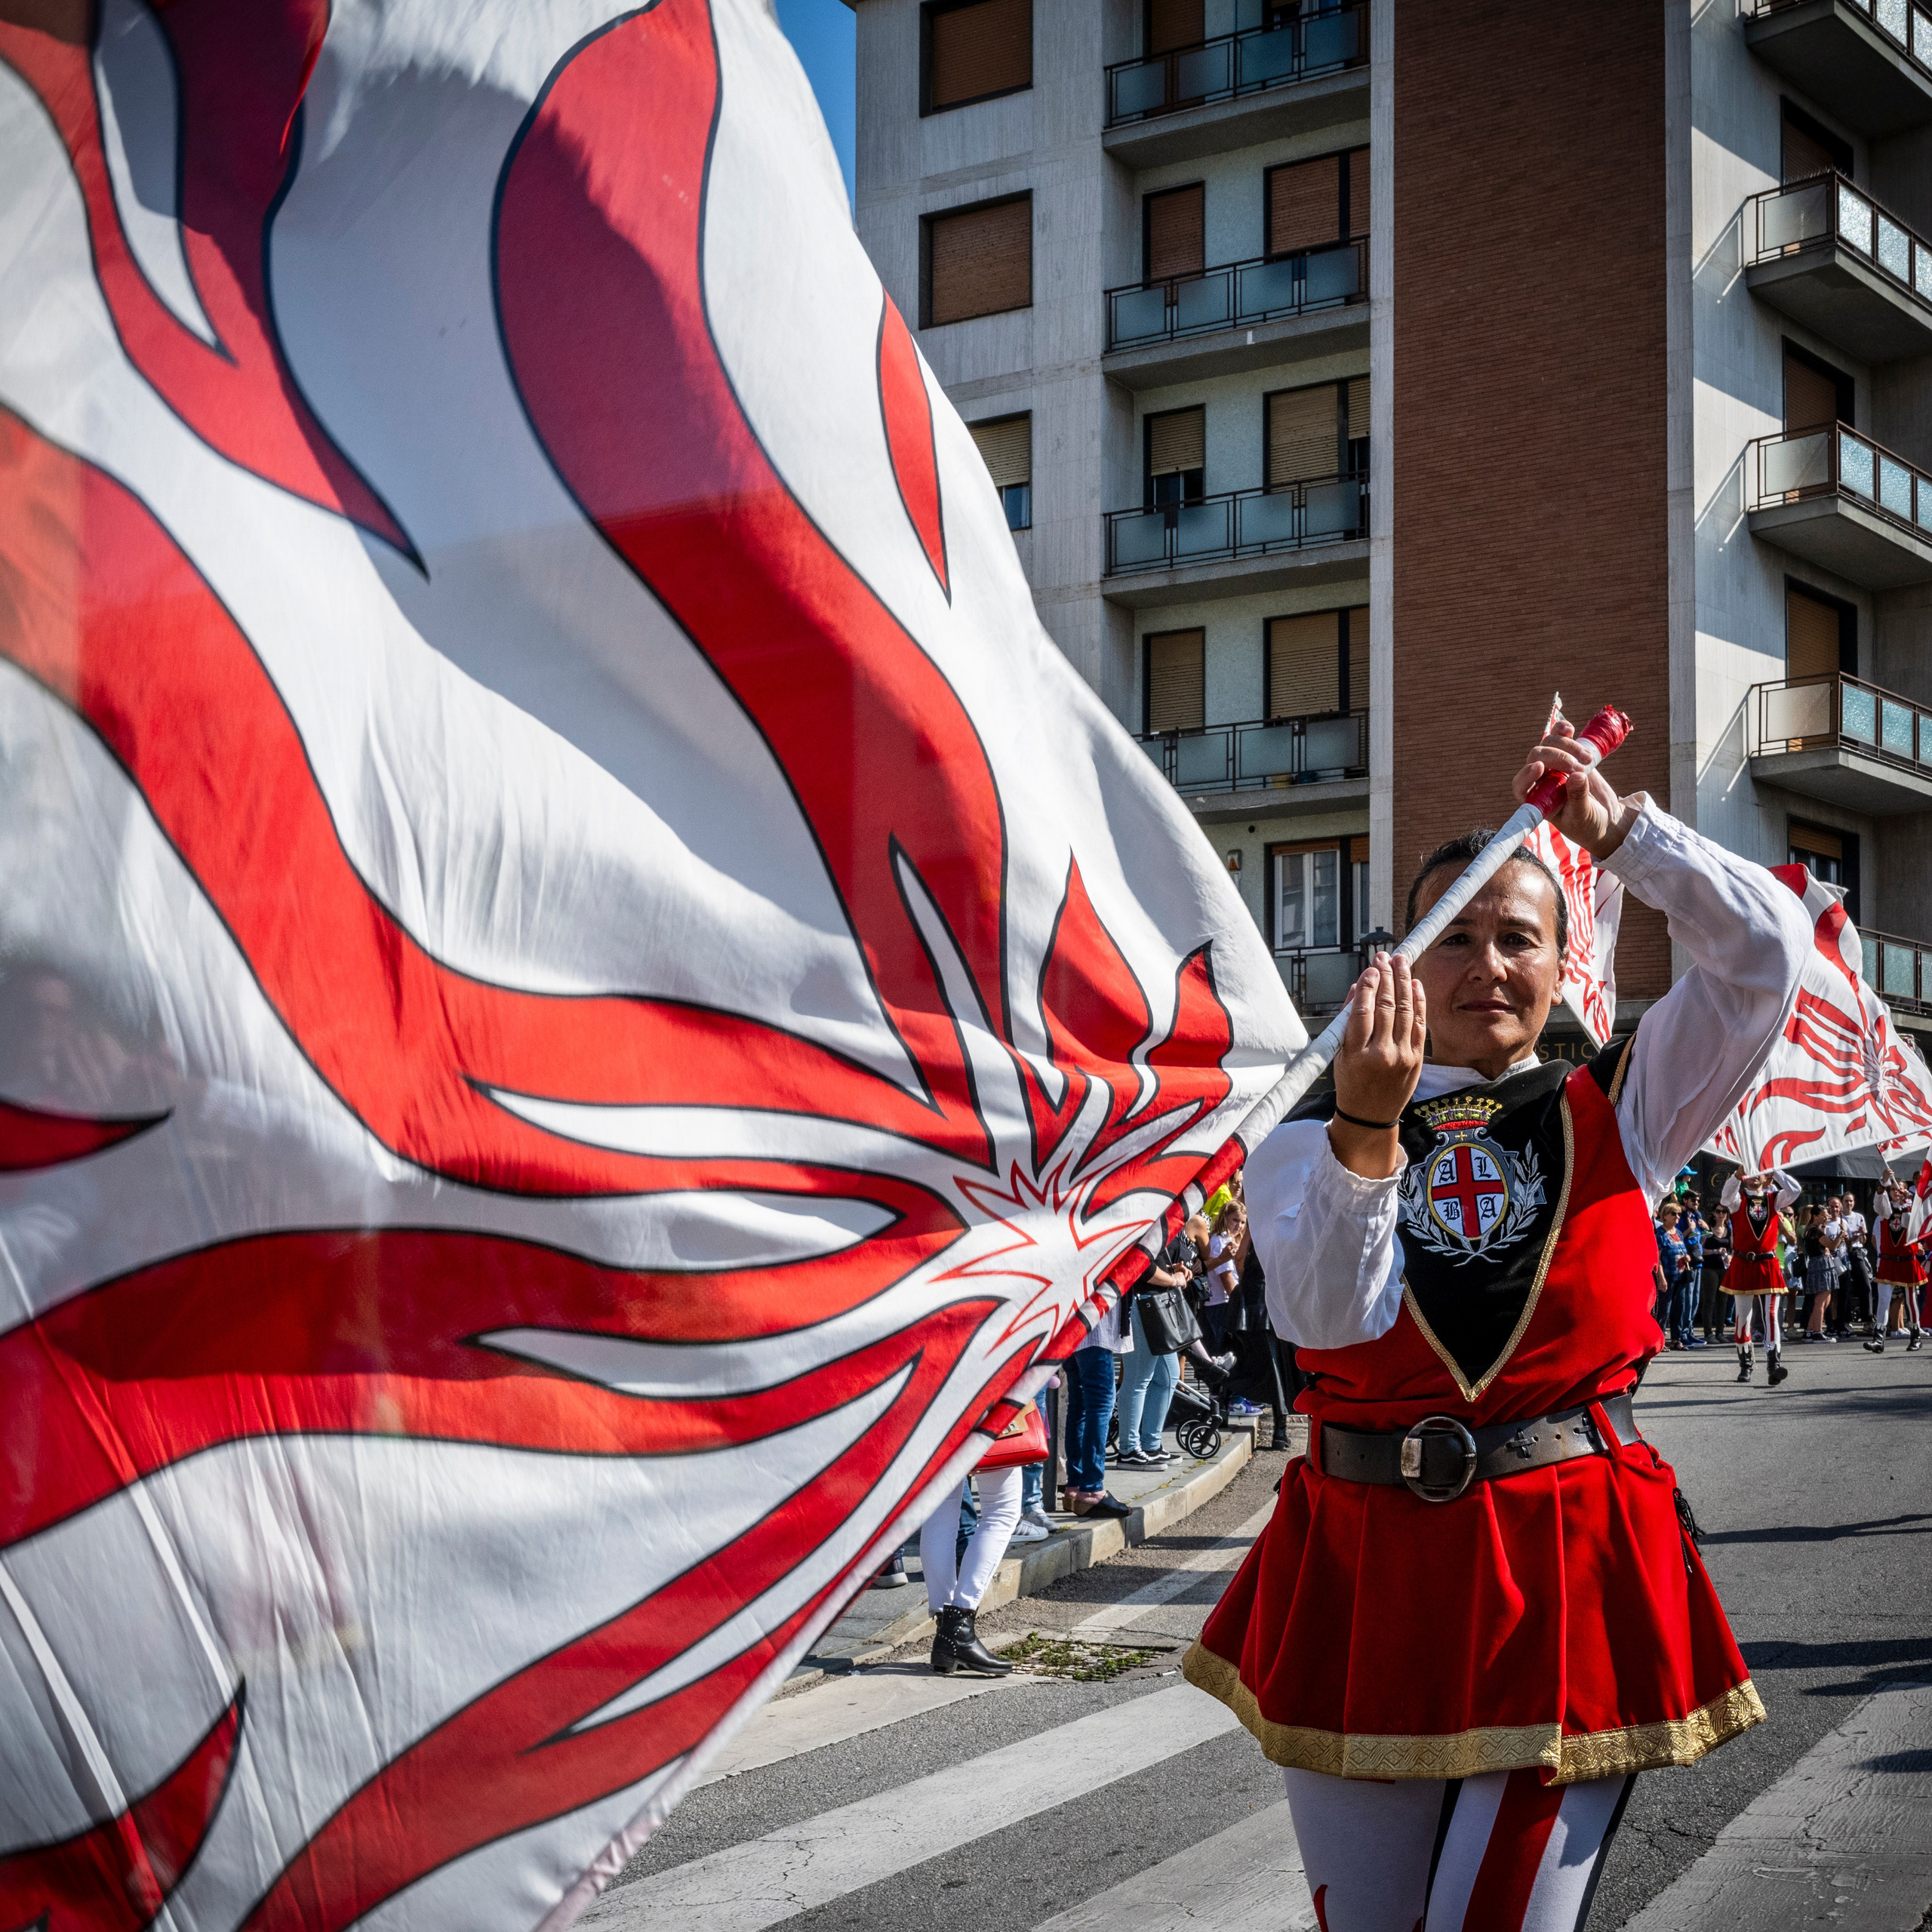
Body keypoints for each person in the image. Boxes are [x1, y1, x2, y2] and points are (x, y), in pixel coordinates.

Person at [1185, 721, 1809, 1931]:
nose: (1485, 965)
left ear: (1563, 970)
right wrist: (1368, 1131)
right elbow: (1323, 1323)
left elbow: (1763, 958)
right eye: (1453, 937)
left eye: (1517, 937)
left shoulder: (1628, 1106)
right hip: (1367, 1568)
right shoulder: (1305, 1140)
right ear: (1401, 969)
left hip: (1566, 1558)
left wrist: (1619, 831)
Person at [920, 1458, 1023, 1677]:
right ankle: (959, 1627)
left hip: (932, 1424)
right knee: (1001, 1510)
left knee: (940, 1510)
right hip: (985, 1423)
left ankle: (946, 1633)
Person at [1720, 1169, 1798, 1385]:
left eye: (1760, 1172)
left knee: (1771, 1315)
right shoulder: (1738, 1199)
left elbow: (1795, 1190)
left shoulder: (1774, 1200)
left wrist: (1776, 1171)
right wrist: (1736, 1175)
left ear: (1767, 1178)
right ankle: (1746, 1365)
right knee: (1743, 1318)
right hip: (1743, 1263)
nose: (1755, 1175)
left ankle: (1774, 1365)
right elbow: (1725, 1197)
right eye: (1751, 1172)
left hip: (1768, 1263)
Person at [1115, 1236, 1187, 1469]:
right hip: (1141, 1304)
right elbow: (1142, 1267)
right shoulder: (1150, 1220)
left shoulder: (1161, 1221)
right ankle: (1128, 1450)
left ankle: (1150, 1445)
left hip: (1153, 1303)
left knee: (1168, 1377)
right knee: (1138, 1379)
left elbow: (1151, 1263)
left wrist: (1172, 1272)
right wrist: (1173, 1280)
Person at [1062, 1287, 1134, 1519]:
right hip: (1095, 1321)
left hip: (1074, 1317)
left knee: (1081, 1403)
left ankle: (1076, 1486)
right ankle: (1091, 1488)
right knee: (1100, 1403)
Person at [1869, 1194, 1926, 1354]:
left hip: (1907, 1262)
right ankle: (1878, 1340)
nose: (1897, 1194)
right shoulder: (1884, 1212)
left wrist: (1907, 1203)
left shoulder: (1912, 1211)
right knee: (1884, 1301)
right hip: (1888, 1261)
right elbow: (1880, 1205)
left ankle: (1915, 1337)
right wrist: (1882, 1187)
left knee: (1910, 1300)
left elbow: (1908, 1224)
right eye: (1893, 1190)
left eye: (1900, 1191)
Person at [1655, 1199, 1695, 1351]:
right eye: (1674, 1214)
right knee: (1664, 1309)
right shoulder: (1660, 1234)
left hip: (1681, 1275)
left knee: (1679, 1308)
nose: (1677, 1217)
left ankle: (1676, 1339)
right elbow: (1657, 1258)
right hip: (1668, 1275)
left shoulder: (1678, 1232)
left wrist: (1688, 1258)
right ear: (1665, 1216)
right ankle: (1660, 1341)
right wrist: (1662, 1278)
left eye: (1679, 1214)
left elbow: (1682, 1250)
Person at [1801, 1204, 1838, 1341]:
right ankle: (1818, 1332)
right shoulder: (1814, 1231)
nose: (1826, 1218)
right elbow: (1832, 1245)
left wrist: (1824, 1226)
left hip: (1819, 1264)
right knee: (1821, 1299)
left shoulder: (1813, 1229)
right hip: (1820, 1264)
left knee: (1825, 1299)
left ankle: (1810, 1331)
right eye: (1824, 1216)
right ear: (1816, 1216)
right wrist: (1842, 1234)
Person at [1698, 1195, 1732, 1343]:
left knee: (1723, 1301)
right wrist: (1715, 1251)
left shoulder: (1729, 1230)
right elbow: (1701, 1250)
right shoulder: (1708, 1229)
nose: (1721, 1214)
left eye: (1724, 1212)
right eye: (1718, 1211)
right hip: (1709, 1267)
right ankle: (1708, 1333)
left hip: (1724, 1267)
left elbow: (1733, 1249)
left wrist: (1730, 1256)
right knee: (1709, 1300)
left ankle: (1720, 1332)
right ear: (1713, 1213)